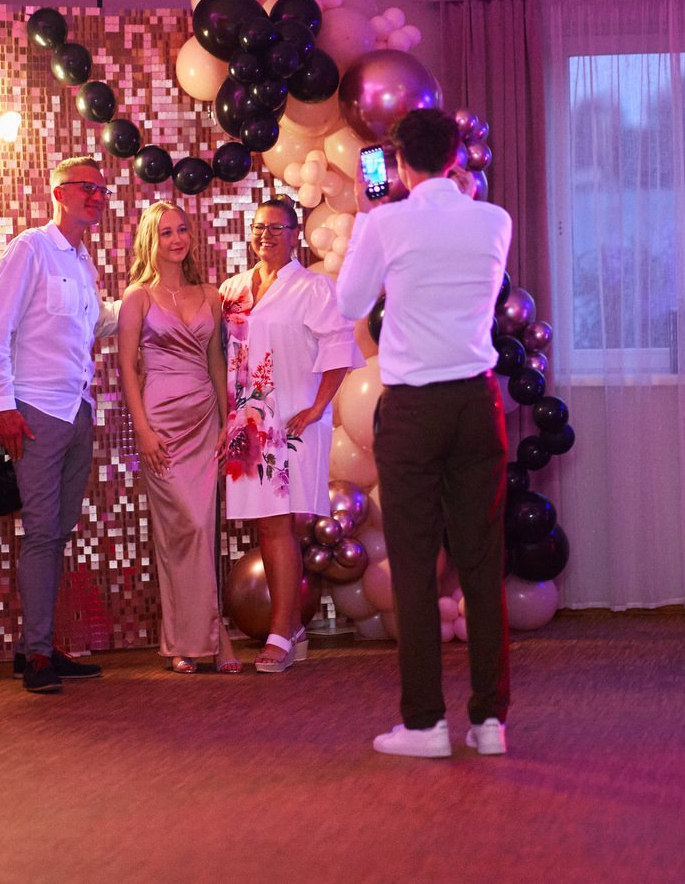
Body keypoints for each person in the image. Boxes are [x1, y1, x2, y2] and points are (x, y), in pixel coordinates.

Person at [335, 108, 514, 757]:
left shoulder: (388, 221)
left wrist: (367, 215)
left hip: (413, 408)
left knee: (413, 564)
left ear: (401, 163)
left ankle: (424, 724)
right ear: (455, 158)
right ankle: (490, 723)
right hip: (476, 402)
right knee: (481, 562)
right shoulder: (495, 220)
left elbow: (350, 304)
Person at [0, 155, 118, 694]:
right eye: (87, 188)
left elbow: (95, 324)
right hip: (35, 409)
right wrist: (4, 406)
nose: (97, 198)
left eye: (102, 191)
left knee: (57, 531)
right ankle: (38, 655)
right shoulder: (31, 248)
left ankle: (32, 645)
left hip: (77, 408)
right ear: (58, 193)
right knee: (41, 531)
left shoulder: (83, 262)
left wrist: (147, 299)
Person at [220, 196, 362, 673]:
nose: (266, 235)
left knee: (280, 523)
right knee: (266, 525)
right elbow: (226, 358)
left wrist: (317, 408)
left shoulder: (314, 288)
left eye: (276, 228)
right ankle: (293, 630)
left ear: (295, 234)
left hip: (293, 422)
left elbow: (339, 349)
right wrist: (227, 420)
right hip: (248, 425)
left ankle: (282, 631)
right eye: (259, 227)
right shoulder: (233, 289)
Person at [118, 201, 242, 674]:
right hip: (162, 423)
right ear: (152, 240)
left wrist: (228, 420)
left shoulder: (209, 295)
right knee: (181, 529)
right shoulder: (137, 297)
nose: (177, 239)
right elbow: (126, 367)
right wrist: (142, 430)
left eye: (182, 230)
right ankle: (207, 637)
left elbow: (216, 363)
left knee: (204, 530)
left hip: (204, 419)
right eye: (166, 232)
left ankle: (194, 640)